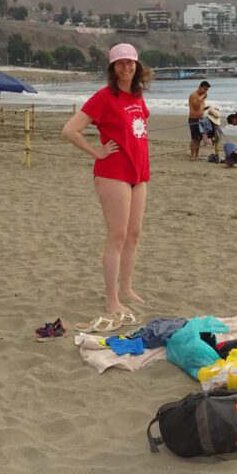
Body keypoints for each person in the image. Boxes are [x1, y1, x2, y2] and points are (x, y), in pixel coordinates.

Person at [61, 43, 152, 330]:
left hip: (139, 173)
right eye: (120, 63)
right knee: (117, 235)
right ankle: (112, 298)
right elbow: (70, 130)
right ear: (113, 68)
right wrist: (96, 152)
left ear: (137, 65)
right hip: (113, 172)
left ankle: (127, 289)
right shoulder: (103, 97)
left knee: (134, 235)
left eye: (130, 62)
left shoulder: (137, 95)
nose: (126, 67)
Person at [187, 80, 211, 160]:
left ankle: (197, 155)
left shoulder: (202, 97)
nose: (205, 91)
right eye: (204, 89)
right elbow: (196, 107)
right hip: (193, 119)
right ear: (200, 87)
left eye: (207, 90)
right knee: (194, 138)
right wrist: (203, 98)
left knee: (199, 138)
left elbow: (200, 108)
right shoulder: (194, 95)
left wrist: (207, 108)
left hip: (200, 120)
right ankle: (192, 155)